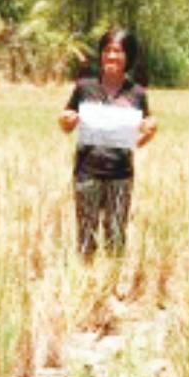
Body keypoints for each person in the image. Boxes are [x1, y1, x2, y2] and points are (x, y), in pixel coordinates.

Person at [58, 28, 158, 260]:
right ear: (101, 54)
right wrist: (65, 120)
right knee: (86, 234)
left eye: (119, 51)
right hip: (87, 171)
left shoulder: (137, 93)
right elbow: (66, 125)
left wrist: (149, 132)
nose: (112, 56)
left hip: (120, 173)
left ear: (128, 57)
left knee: (116, 234)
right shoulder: (84, 88)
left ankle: (112, 285)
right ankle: (86, 283)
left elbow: (139, 138)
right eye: (107, 50)